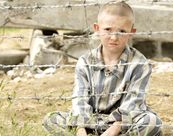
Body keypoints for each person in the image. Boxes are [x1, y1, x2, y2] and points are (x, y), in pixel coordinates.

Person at [43, 1, 162, 136]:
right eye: (107, 30)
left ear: (131, 32)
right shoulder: (85, 62)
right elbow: (80, 98)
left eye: (122, 31)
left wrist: (113, 131)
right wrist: (80, 129)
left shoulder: (140, 64)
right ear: (97, 28)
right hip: (91, 120)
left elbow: (134, 103)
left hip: (123, 123)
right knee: (51, 119)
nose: (114, 37)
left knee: (152, 122)